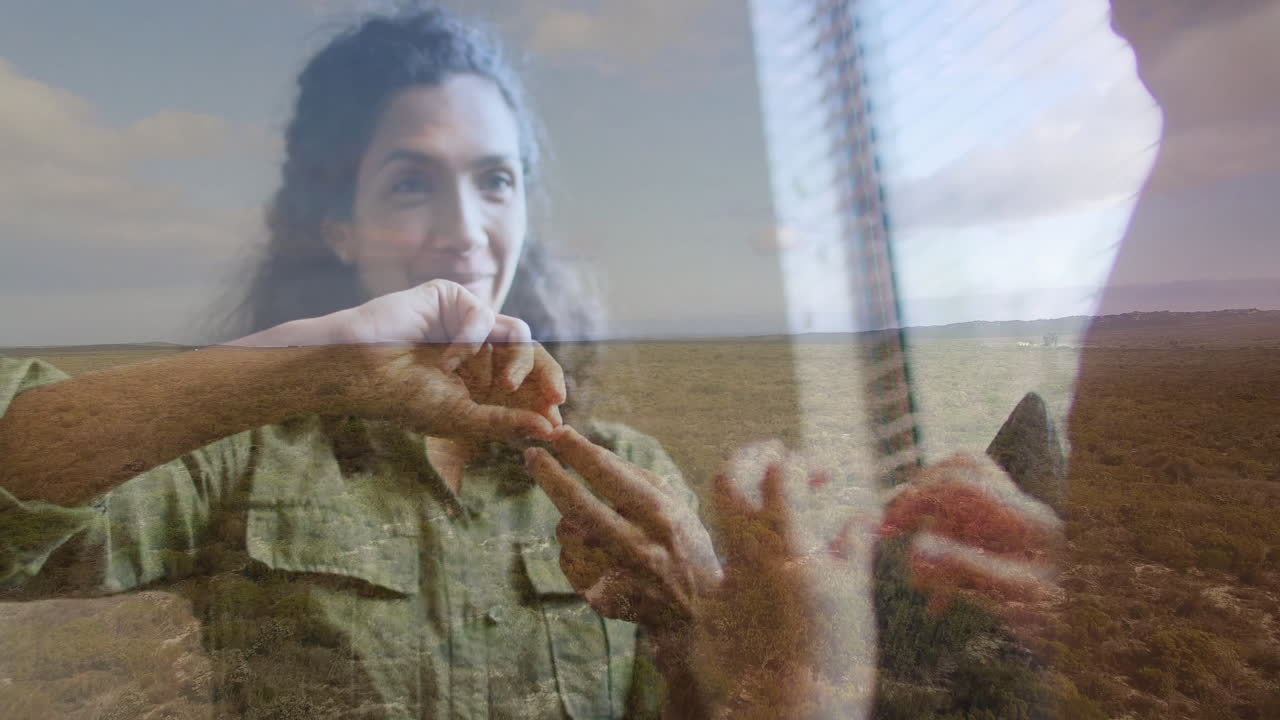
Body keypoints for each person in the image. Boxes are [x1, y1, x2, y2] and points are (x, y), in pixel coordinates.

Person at [0, 5, 871, 718]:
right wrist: (316, 362)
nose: (465, 227)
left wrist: (719, 654)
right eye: (412, 183)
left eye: (496, 180)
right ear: (337, 226)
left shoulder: (622, 472)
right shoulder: (254, 458)